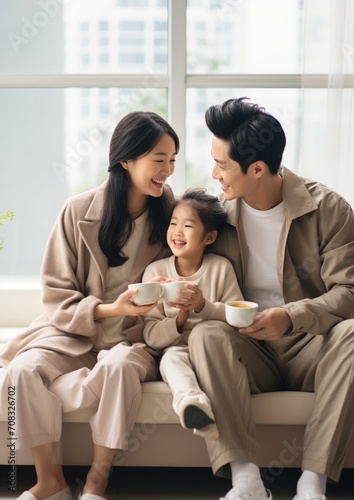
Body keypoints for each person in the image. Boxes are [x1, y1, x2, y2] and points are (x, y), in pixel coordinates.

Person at [0, 110, 179, 500]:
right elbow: (56, 292)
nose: (168, 171)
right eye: (159, 160)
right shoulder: (77, 211)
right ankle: (51, 481)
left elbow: (192, 267)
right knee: (23, 369)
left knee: (117, 365)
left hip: (135, 340)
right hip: (73, 334)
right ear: (126, 159)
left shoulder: (172, 215)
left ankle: (97, 480)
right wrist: (111, 309)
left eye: (172, 161)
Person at [186, 97, 354, 500]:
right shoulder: (218, 216)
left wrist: (291, 316)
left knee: (353, 333)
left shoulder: (328, 209)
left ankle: (311, 483)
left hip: (311, 346)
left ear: (257, 168)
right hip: (249, 347)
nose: (214, 173)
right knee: (205, 335)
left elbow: (349, 292)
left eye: (222, 164)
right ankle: (247, 480)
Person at [142, 188, 243, 441]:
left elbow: (238, 316)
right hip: (177, 350)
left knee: (199, 347)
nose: (177, 231)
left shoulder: (220, 268)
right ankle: (193, 405)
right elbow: (151, 336)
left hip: (213, 353)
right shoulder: (156, 272)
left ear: (209, 237)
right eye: (173, 223)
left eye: (187, 226)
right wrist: (180, 317)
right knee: (170, 360)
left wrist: (202, 305)